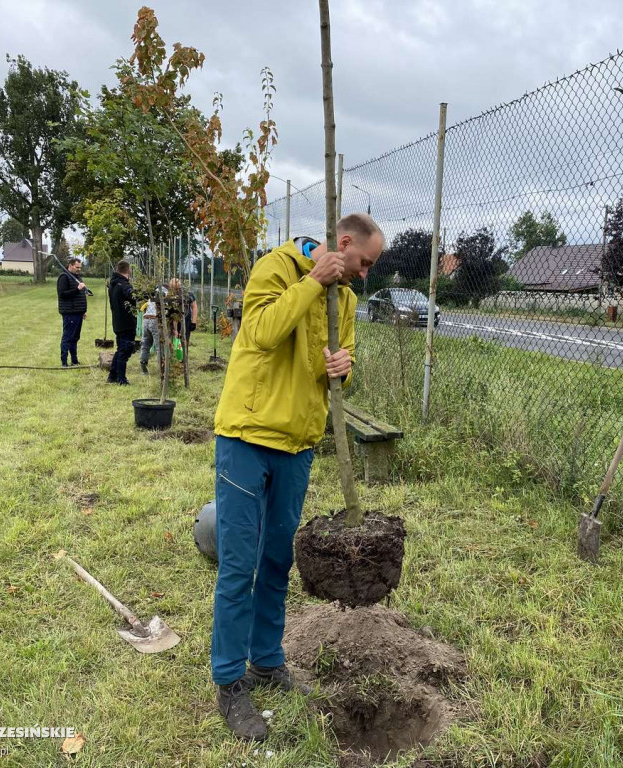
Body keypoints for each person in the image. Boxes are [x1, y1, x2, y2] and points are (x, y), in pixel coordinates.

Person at [211, 213, 384, 742]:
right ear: (344, 243)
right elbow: (259, 334)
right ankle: (229, 682)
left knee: (278, 559)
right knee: (240, 564)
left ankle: (267, 660)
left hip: (298, 444)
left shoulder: (347, 301)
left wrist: (342, 367)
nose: (365, 274)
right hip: (247, 435)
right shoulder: (277, 267)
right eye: (363, 263)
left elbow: (336, 368)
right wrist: (311, 283)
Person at [107, 260, 137, 386]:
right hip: (126, 322)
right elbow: (134, 296)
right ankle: (121, 379)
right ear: (128, 270)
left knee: (120, 349)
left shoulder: (113, 284)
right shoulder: (124, 285)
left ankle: (112, 376)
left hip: (118, 321)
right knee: (125, 350)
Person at [57, 257, 87, 367]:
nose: (79, 269)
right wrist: (77, 289)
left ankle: (74, 360)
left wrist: (83, 310)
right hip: (70, 312)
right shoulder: (64, 277)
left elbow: (80, 295)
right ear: (70, 265)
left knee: (75, 338)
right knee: (67, 337)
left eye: (80, 267)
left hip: (78, 312)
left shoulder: (77, 277)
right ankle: (64, 362)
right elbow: (62, 294)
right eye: (77, 267)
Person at [139, 284, 164, 376]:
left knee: (145, 344)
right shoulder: (161, 300)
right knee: (158, 346)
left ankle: (143, 370)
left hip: (145, 320)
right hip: (154, 320)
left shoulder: (150, 300)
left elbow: (142, 309)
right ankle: (162, 370)